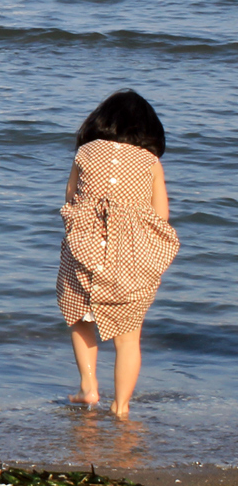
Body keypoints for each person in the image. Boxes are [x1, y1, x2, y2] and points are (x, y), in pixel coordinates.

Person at [58, 90, 177, 419]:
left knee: (80, 319)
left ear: (99, 122)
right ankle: (121, 407)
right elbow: (161, 215)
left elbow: (70, 198)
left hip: (85, 253)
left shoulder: (85, 153)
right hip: (132, 260)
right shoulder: (150, 162)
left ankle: (88, 387)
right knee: (129, 338)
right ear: (148, 130)